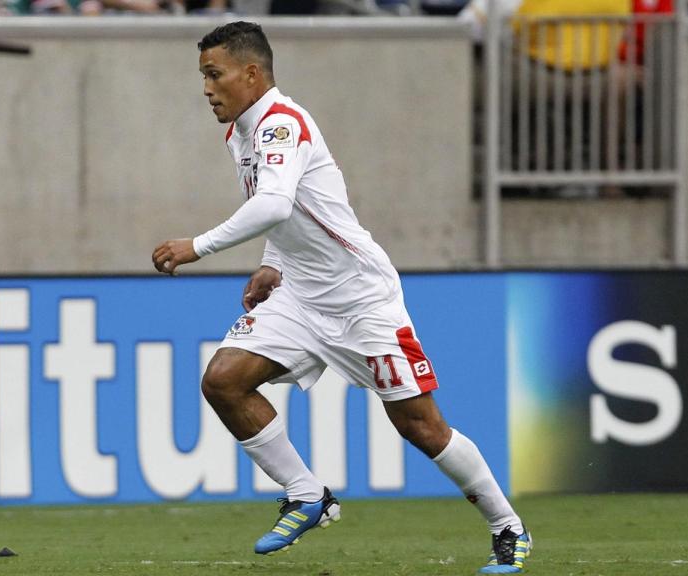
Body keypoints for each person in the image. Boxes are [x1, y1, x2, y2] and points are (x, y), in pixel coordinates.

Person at [151, 21, 532, 573]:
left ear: (251, 73)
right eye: (202, 76)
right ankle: (307, 495)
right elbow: (295, 208)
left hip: (360, 300)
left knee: (421, 426)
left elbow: (277, 205)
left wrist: (197, 246)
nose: (206, 88)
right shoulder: (241, 131)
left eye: (215, 74)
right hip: (301, 295)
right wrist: (272, 263)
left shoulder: (282, 125)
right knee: (224, 380)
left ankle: (508, 528)